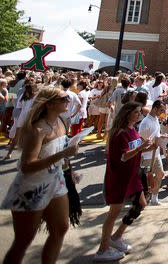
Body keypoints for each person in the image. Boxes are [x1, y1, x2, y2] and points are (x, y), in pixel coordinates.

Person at [1, 87, 79, 264]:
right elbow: (27, 166)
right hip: (32, 187)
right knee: (23, 240)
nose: (68, 100)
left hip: (56, 181)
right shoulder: (37, 129)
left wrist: (68, 170)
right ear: (49, 104)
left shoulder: (61, 121)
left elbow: (60, 152)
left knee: (60, 229)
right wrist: (63, 154)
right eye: (64, 98)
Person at [95, 102, 155, 261]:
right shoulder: (119, 133)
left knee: (140, 204)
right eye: (136, 112)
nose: (139, 115)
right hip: (119, 178)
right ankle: (103, 249)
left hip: (132, 176)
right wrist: (141, 148)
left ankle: (117, 236)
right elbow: (123, 156)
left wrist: (148, 146)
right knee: (113, 213)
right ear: (127, 113)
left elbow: (136, 148)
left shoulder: (132, 130)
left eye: (139, 112)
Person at [138, 100, 166, 206]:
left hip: (156, 153)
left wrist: (161, 137)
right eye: (161, 110)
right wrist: (150, 147)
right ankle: (145, 197)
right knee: (144, 179)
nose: (163, 112)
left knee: (160, 174)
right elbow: (140, 140)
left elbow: (154, 135)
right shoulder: (145, 123)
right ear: (155, 109)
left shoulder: (155, 119)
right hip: (146, 155)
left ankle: (154, 197)